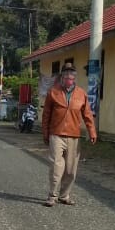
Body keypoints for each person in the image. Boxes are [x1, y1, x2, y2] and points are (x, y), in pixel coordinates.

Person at [41, 67, 97, 207]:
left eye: (72, 79)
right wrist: (45, 133)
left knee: (71, 168)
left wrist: (92, 131)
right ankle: (52, 196)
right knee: (56, 165)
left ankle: (64, 195)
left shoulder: (81, 94)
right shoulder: (53, 92)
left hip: (74, 135)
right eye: (67, 79)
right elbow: (46, 115)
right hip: (56, 134)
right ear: (62, 79)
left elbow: (87, 114)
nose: (69, 81)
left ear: (75, 80)